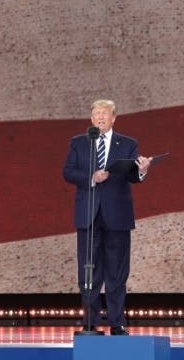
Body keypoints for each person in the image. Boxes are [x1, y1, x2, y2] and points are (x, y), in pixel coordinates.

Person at [62, 99, 151, 335]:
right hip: (88, 216)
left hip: (117, 216)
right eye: (96, 114)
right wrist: (91, 177)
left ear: (114, 118)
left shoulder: (128, 144)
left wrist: (142, 170)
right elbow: (68, 172)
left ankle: (117, 322)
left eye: (104, 113)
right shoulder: (79, 143)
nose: (100, 117)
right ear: (91, 119)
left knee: (116, 273)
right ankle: (90, 322)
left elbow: (132, 176)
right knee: (88, 271)